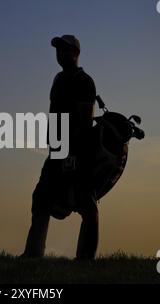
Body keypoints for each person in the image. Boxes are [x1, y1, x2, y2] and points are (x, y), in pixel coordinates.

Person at [20, 35, 98, 260]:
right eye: (58, 50)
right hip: (56, 150)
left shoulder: (84, 81)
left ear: (76, 53)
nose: (60, 53)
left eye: (65, 49)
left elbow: (84, 121)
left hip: (76, 152)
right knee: (41, 198)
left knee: (85, 205)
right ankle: (33, 253)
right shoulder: (58, 79)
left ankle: (85, 258)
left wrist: (72, 153)